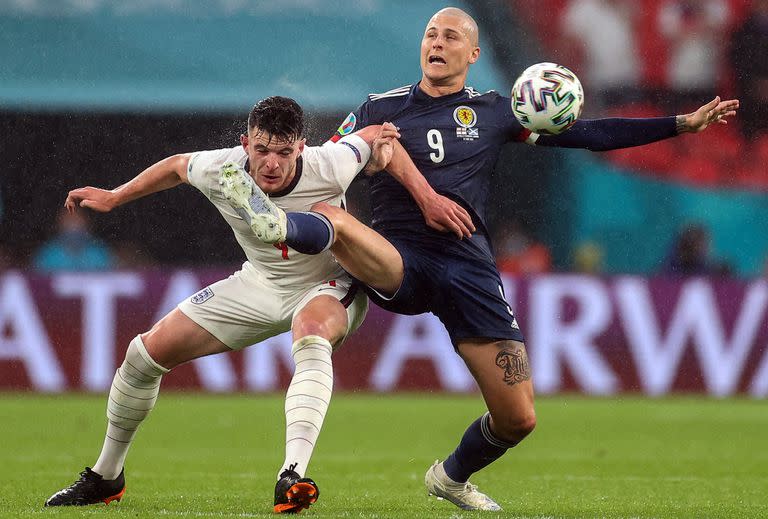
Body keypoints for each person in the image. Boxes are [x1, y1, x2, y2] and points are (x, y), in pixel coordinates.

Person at [233, 7, 739, 512]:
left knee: (519, 419)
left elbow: (590, 134)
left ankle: (451, 477)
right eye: (431, 34)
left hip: (468, 268)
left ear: (473, 54)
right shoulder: (377, 109)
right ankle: (289, 241)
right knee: (334, 218)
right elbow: (324, 166)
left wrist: (680, 124)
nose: (436, 42)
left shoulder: (496, 111)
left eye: (450, 36)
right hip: (399, 258)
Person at [43, 96, 401, 513]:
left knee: (312, 334)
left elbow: (374, 133)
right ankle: (106, 477)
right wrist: (115, 197)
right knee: (142, 355)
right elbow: (178, 165)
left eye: (284, 152)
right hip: (260, 283)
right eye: (262, 150)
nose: (272, 163)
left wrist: (385, 147)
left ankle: (292, 475)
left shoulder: (331, 163)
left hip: (328, 281)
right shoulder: (222, 168)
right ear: (245, 143)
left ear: (301, 147)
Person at [32, 207, 116, 272]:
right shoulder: (48, 254)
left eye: (77, 220)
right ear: (60, 223)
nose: (73, 226)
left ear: (86, 222)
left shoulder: (99, 252)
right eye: (69, 220)